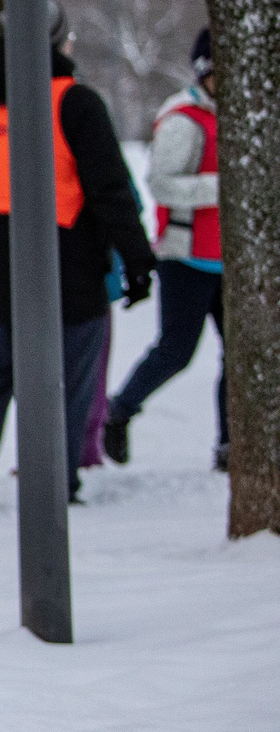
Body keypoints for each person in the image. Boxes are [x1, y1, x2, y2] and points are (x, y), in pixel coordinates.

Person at [0, 2, 156, 514]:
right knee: (70, 373)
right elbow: (110, 190)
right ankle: (55, 484)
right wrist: (137, 259)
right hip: (69, 258)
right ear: (60, 41)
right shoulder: (75, 102)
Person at [106, 25, 225, 470]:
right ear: (204, 73)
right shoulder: (182, 119)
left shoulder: (245, 114)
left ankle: (231, 446)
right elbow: (161, 184)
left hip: (230, 259)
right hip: (186, 256)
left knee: (242, 356)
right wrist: (223, 188)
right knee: (176, 350)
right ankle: (121, 409)